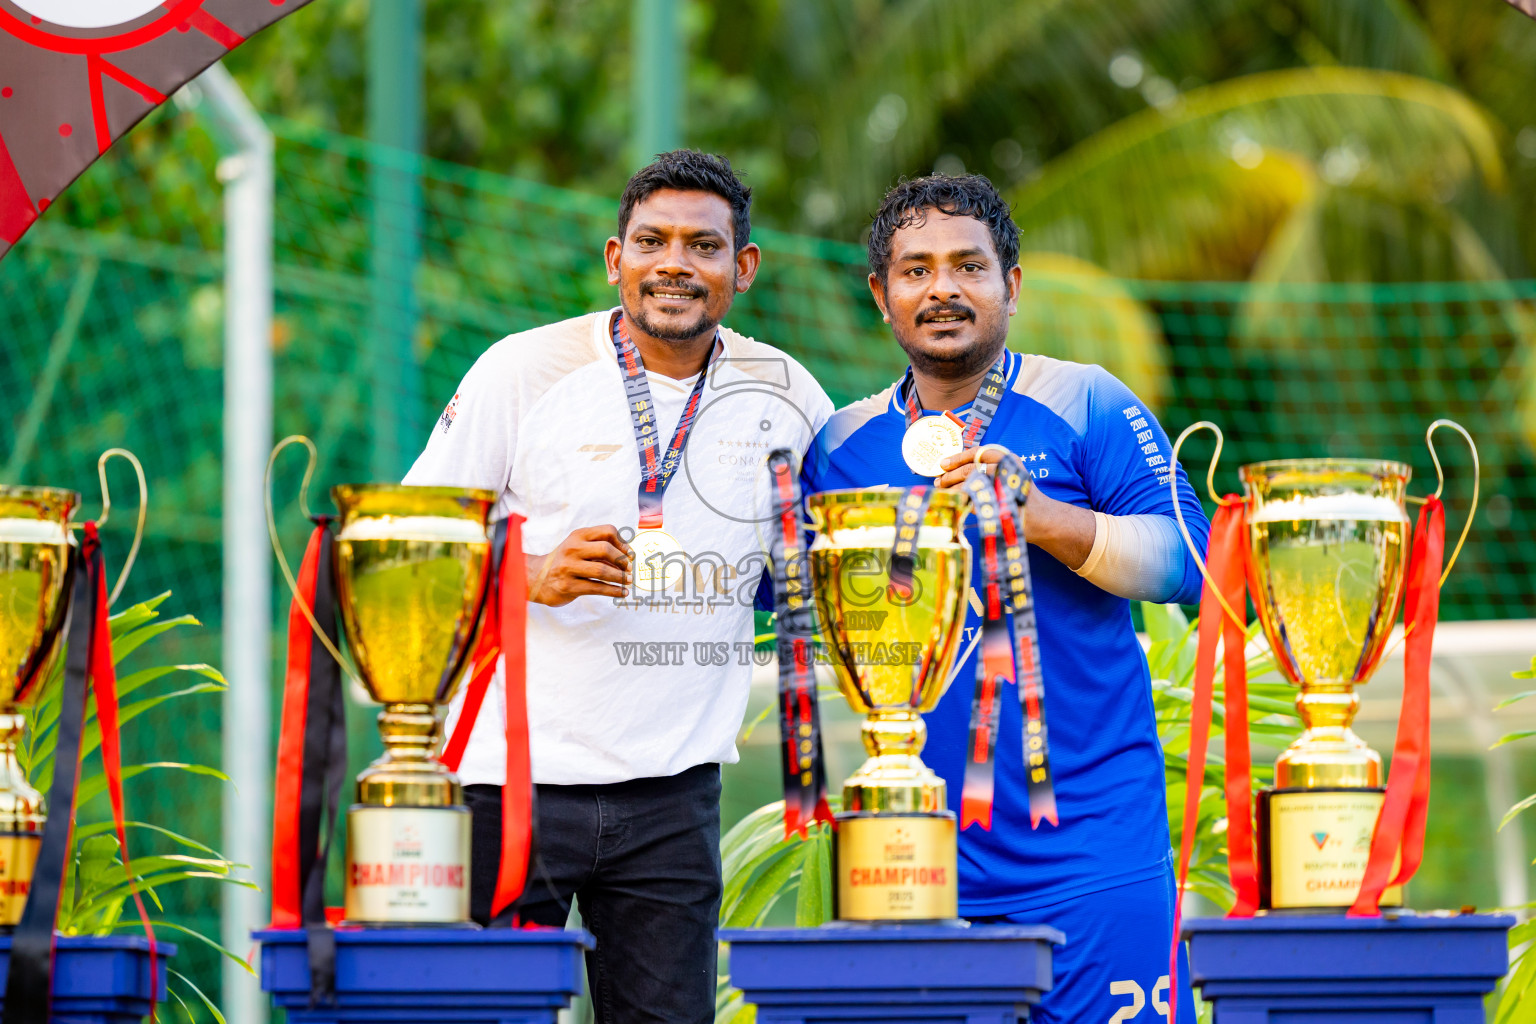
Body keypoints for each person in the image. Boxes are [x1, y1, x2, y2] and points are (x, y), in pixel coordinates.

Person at [405, 150, 833, 1024]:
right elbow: (409, 542)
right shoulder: (522, 369)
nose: (675, 264)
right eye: (651, 241)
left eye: (703, 246)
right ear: (615, 258)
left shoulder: (787, 394)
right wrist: (527, 574)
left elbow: (832, 554)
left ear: (744, 267)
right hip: (507, 781)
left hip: (674, 793)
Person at [801, 173, 1211, 1024]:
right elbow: (786, 594)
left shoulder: (1085, 399)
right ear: (880, 295)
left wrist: (1046, 519)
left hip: (1092, 856)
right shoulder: (840, 446)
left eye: (968, 266)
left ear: (1011, 286)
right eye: (916, 270)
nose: (942, 288)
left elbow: (1194, 565)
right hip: (912, 862)